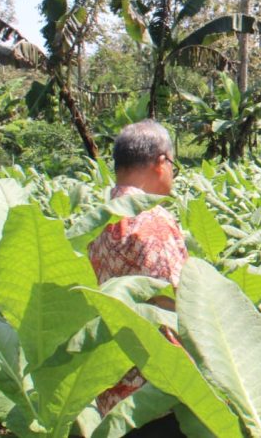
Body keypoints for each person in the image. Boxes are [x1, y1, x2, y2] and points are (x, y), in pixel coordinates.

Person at [88, 120, 188, 434]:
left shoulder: (97, 219)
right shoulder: (153, 221)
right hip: (156, 395)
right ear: (161, 163)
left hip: (109, 387)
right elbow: (173, 305)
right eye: (173, 163)